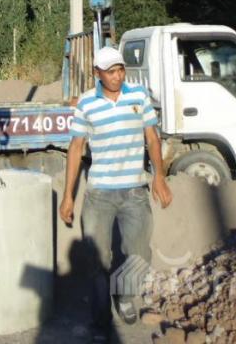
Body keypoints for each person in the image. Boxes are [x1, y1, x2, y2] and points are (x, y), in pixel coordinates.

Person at [59, 46, 173, 330]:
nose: (117, 76)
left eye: (120, 69)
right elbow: (76, 148)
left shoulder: (138, 96)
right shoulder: (86, 103)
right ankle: (101, 318)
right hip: (99, 195)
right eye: (110, 71)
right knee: (98, 259)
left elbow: (152, 137)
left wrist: (159, 176)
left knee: (138, 254)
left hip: (135, 192)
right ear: (97, 73)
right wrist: (68, 196)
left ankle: (124, 296)